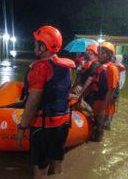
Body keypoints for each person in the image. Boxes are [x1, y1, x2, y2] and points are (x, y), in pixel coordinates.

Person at [16, 25, 75, 178]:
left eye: (37, 43)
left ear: (44, 46)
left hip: (43, 127)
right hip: (62, 124)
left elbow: (34, 100)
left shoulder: (40, 68)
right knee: (57, 163)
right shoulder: (66, 67)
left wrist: (22, 127)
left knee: (40, 169)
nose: (34, 46)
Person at [91, 42, 119, 140]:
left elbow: (111, 90)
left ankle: (98, 148)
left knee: (100, 129)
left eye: (103, 53)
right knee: (96, 127)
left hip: (105, 105)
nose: (100, 55)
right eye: (100, 52)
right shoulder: (100, 67)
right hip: (98, 101)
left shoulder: (112, 69)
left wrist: (103, 109)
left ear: (110, 55)